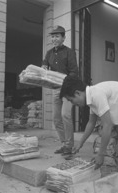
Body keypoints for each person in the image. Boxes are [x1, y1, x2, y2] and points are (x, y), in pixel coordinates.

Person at [59, 76, 118, 193]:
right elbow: (91, 123)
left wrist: (101, 154)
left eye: (71, 100)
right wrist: (80, 143)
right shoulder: (90, 98)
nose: (73, 104)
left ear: (77, 93)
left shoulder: (96, 95)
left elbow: (108, 125)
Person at [41, 26, 78, 156]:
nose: (54, 39)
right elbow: (44, 66)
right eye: (53, 36)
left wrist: (64, 80)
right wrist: (43, 69)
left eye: (57, 36)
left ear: (63, 38)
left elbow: (74, 72)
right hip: (56, 89)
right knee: (56, 119)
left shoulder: (70, 52)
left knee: (65, 115)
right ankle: (64, 144)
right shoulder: (49, 53)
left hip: (68, 89)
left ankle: (69, 146)